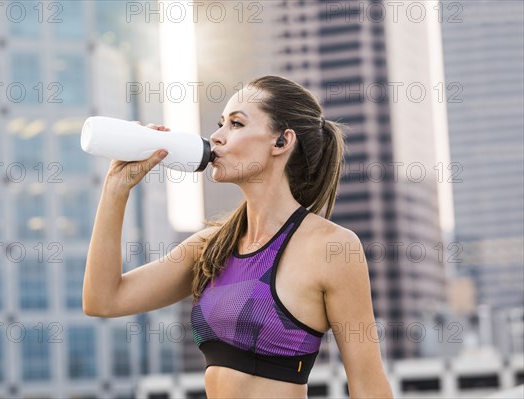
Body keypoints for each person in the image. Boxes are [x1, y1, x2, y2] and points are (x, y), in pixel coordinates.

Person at [83, 75, 394, 398]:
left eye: (236, 124)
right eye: (220, 124)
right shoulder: (210, 246)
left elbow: (369, 385)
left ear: (281, 142)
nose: (216, 137)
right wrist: (115, 189)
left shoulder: (330, 247)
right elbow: (103, 299)